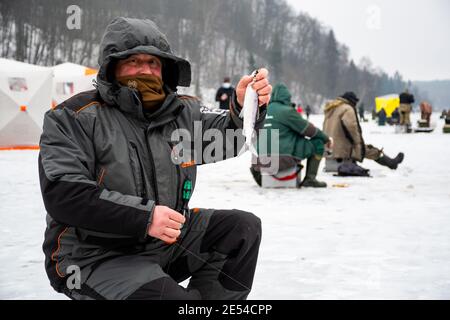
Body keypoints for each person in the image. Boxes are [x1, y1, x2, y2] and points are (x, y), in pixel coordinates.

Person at [38, 17, 272, 300]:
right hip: (92, 256)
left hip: (165, 242)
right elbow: (64, 194)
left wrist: (244, 106)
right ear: (113, 66)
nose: (145, 70)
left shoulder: (182, 112)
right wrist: (144, 218)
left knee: (241, 228)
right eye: (134, 62)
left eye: (153, 63)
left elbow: (231, 139)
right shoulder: (73, 117)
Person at [253, 83, 332, 188]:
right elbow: (309, 130)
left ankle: (262, 178)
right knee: (318, 143)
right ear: (287, 97)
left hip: (260, 162)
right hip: (283, 158)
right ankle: (310, 179)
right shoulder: (287, 111)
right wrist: (326, 139)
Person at [323, 92, 404, 170]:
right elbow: (352, 127)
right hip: (342, 149)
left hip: (331, 147)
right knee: (367, 149)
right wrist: (358, 143)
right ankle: (392, 163)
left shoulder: (332, 108)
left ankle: (391, 163)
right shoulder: (347, 108)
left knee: (365, 149)